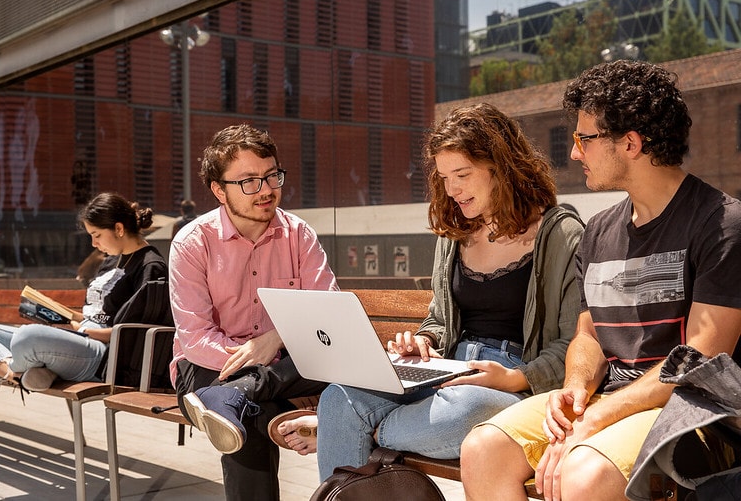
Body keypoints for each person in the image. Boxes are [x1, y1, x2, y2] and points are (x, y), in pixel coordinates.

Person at [460, 60, 741, 501]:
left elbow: (702, 360)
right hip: (610, 399)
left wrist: (598, 417)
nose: (574, 153)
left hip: (691, 412)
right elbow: (588, 334)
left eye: (584, 139)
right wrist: (574, 390)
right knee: (483, 448)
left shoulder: (721, 223)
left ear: (630, 143)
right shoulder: (598, 231)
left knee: (583, 474)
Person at [312, 103, 584, 480]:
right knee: (338, 398)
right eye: (443, 177)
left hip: (511, 382)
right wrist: (423, 339)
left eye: (462, 174)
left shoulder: (560, 234)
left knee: (462, 413)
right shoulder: (456, 234)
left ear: (500, 167)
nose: (451, 189)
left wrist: (515, 378)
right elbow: (440, 319)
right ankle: (350, 427)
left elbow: (573, 341)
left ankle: (365, 433)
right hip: (446, 372)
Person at [168, 123, 337, 501]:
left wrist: (272, 340)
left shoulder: (299, 234)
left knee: (359, 371)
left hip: (284, 363)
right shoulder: (193, 243)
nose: (266, 190)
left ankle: (237, 397)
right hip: (209, 368)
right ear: (218, 190)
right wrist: (260, 359)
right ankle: (246, 402)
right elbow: (195, 338)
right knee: (250, 415)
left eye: (271, 176)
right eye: (248, 181)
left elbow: (327, 312)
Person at [0, 192, 169, 391]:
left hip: (100, 354)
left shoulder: (150, 267)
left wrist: (83, 331)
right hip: (77, 337)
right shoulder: (111, 261)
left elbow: (134, 334)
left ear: (119, 229)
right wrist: (60, 313)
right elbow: (96, 313)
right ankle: (20, 374)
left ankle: (24, 369)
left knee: (26, 337)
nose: (94, 243)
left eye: (97, 235)